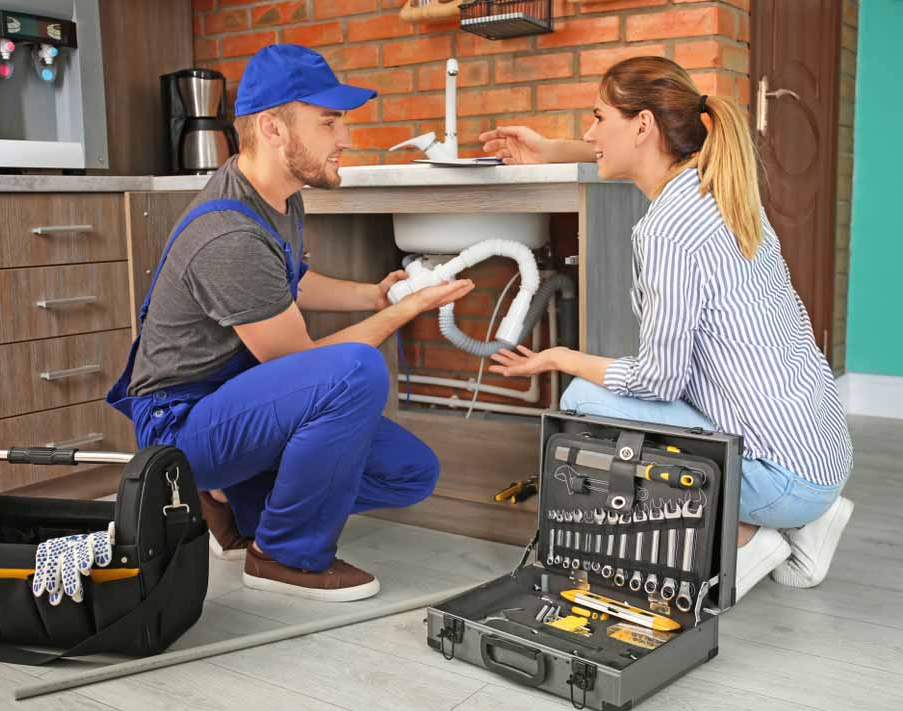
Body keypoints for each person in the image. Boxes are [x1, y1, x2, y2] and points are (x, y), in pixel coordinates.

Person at [107, 44, 474, 602]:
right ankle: (284, 553)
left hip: (230, 400)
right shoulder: (229, 233)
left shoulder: (276, 196)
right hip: (178, 426)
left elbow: (290, 282)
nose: (343, 139)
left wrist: (375, 294)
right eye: (328, 123)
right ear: (273, 129)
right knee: (354, 371)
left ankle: (231, 499)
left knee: (410, 472)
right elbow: (301, 364)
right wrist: (405, 312)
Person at [481, 57, 853, 601]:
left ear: (643, 125)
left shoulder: (667, 231)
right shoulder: (720, 187)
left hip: (783, 478)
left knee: (584, 396)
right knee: (621, 388)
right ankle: (809, 521)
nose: (588, 133)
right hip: (822, 452)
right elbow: (632, 149)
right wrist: (555, 150)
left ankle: (748, 536)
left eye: (597, 117)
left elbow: (660, 382)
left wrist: (561, 357)